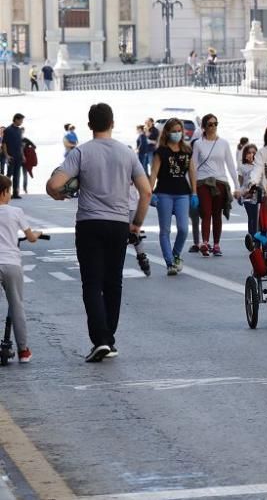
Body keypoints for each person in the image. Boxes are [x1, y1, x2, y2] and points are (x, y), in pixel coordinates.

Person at [46, 103, 152, 362]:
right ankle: (109, 339)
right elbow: (146, 191)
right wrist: (136, 223)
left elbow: (53, 184)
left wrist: (59, 195)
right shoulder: (127, 153)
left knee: (91, 283)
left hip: (90, 224)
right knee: (113, 281)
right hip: (118, 224)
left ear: (90, 125)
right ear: (112, 123)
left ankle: (100, 339)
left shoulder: (81, 152)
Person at [0, 174, 42, 363]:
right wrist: (38, 234)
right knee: (16, 305)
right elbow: (31, 237)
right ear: (4, 192)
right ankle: (23, 351)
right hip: (11, 264)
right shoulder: (15, 211)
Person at [149, 118, 198, 276]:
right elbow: (154, 173)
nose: (177, 134)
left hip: (182, 193)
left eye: (179, 131)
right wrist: (150, 192)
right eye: (174, 131)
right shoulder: (161, 151)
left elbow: (192, 172)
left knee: (183, 229)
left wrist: (194, 192)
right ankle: (169, 262)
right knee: (165, 230)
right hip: (164, 193)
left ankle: (176, 254)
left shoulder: (187, 150)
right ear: (167, 132)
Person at [192, 114, 239, 257]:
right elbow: (193, 166)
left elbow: (230, 165)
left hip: (220, 182)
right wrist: (193, 190)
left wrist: (237, 185)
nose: (213, 127)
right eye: (210, 124)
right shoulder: (198, 143)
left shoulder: (223, 143)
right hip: (203, 181)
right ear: (204, 127)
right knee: (206, 213)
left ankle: (217, 244)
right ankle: (205, 243)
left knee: (217, 214)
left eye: (215, 124)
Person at [237, 143, 259, 236]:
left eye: (254, 153)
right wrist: (240, 195)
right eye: (249, 153)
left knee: (258, 217)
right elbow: (241, 182)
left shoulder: (259, 166)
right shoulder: (242, 167)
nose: (251, 155)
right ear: (245, 155)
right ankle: (252, 237)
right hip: (247, 196)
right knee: (252, 217)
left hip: (258, 195)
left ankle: (258, 236)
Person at [2, 114, 24, 199]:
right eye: (21, 120)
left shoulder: (19, 130)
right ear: (16, 119)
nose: (21, 122)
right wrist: (7, 155)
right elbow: (4, 143)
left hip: (19, 156)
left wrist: (23, 155)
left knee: (17, 175)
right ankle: (5, 192)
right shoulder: (8, 130)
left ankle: (15, 193)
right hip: (11, 156)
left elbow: (20, 144)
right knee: (9, 175)